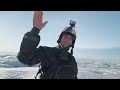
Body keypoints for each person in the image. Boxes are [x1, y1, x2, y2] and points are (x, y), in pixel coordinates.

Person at [17, 11, 78, 79]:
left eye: (70, 38)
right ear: (60, 38)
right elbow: (25, 57)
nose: (67, 40)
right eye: (66, 36)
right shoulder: (47, 52)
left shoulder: (71, 59)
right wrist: (35, 31)